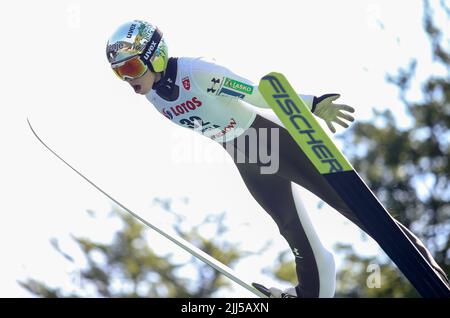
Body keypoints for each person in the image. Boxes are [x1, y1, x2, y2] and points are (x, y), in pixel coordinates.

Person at [106, 20, 449, 297]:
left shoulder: (197, 73)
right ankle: (311, 294)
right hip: (243, 153)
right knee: (290, 228)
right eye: (121, 73)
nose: (130, 79)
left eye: (133, 67)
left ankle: (431, 276)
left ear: (156, 56)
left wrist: (312, 104)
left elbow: (255, 93)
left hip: (267, 138)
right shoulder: (154, 97)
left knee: (360, 212)